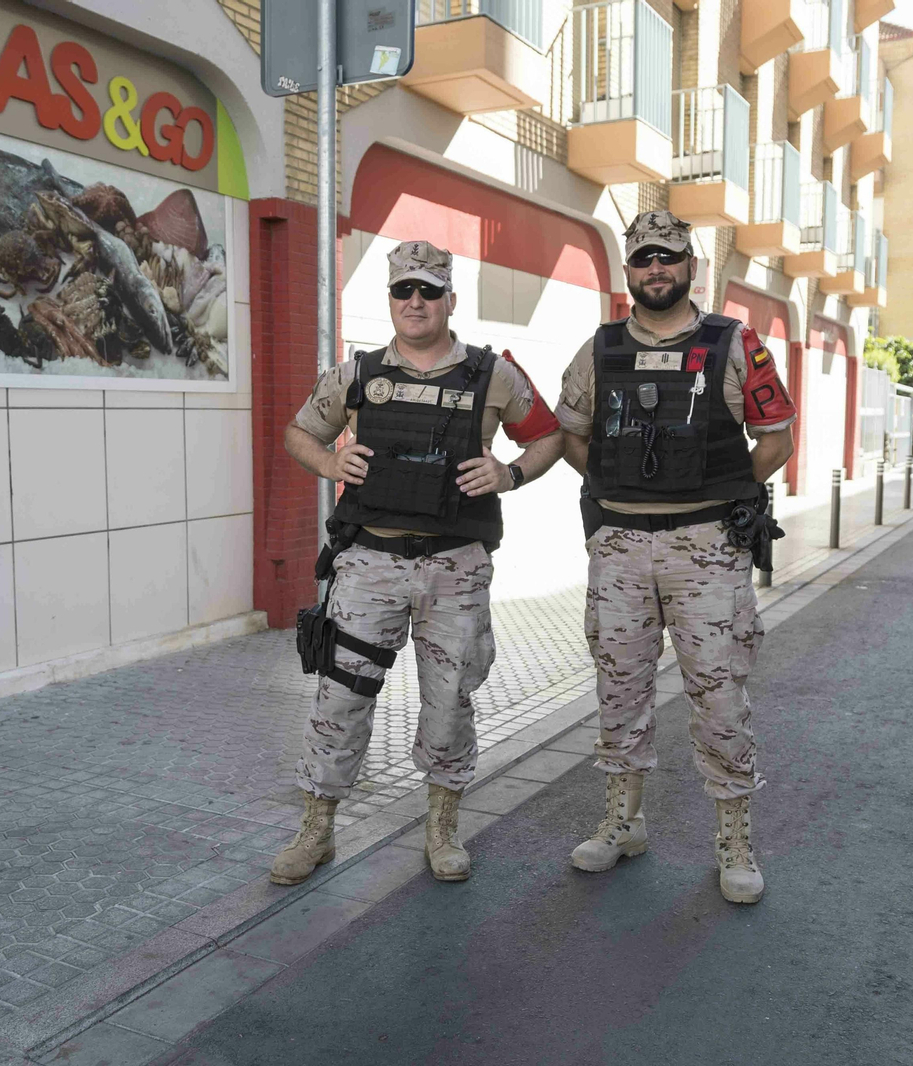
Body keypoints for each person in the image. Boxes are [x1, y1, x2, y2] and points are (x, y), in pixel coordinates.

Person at [272, 240, 564, 886]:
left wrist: (509, 472)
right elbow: (299, 432)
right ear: (391, 299)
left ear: (450, 300)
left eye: (429, 291)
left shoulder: (493, 375)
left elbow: (548, 435)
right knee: (339, 699)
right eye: (404, 291)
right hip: (369, 562)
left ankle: (441, 829)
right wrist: (328, 462)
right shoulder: (356, 375)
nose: (415, 302)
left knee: (449, 700)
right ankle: (317, 830)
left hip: (454, 567)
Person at [555, 210, 796, 904]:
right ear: (627, 271)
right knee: (619, 691)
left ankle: (735, 842)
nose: (655, 269)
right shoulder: (599, 350)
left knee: (719, 697)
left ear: (692, 267)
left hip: (707, 552)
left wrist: (731, 499)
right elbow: (573, 432)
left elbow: (775, 437)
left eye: (668, 257)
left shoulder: (734, 344)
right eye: (642, 259)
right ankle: (622, 824)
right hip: (622, 553)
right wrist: (608, 491)